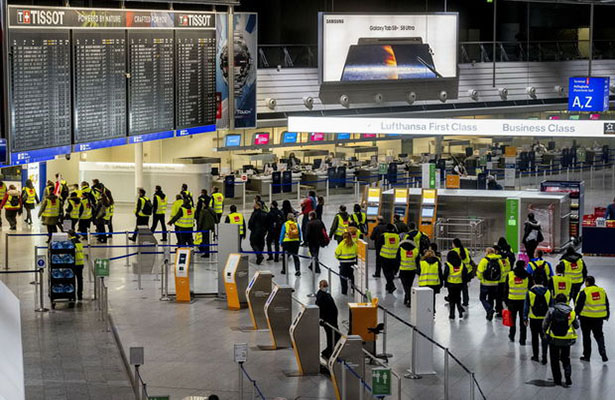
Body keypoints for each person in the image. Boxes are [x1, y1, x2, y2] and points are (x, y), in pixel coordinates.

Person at [543, 293, 579, 387]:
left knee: (554, 359)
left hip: (554, 338)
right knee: (565, 358)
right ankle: (567, 375)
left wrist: (545, 333)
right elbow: (577, 326)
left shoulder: (551, 310)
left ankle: (557, 379)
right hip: (567, 339)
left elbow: (545, 323)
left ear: (556, 300)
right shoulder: (571, 312)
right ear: (566, 301)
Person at [575, 276, 609, 363]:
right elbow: (606, 303)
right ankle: (603, 352)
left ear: (587, 282)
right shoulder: (601, 291)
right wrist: (606, 315)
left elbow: (579, 305)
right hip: (598, 318)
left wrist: (576, 314)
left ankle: (587, 356)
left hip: (586, 318)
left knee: (586, 337)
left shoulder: (584, 292)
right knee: (599, 335)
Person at [524, 275, 551, 364]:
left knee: (534, 338)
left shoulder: (530, 292)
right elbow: (551, 307)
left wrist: (525, 318)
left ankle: (535, 356)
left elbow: (526, 306)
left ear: (534, 281)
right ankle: (544, 357)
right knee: (544, 338)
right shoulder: (548, 292)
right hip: (545, 319)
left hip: (534, 318)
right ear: (543, 282)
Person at [505, 261, 530, 344]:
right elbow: (530, 289)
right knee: (523, 321)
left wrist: (506, 300)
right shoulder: (527, 275)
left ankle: (512, 336)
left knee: (512, 319)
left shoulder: (510, 274)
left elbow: (506, 288)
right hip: (524, 301)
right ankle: (522, 340)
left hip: (512, 300)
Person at [477, 248, 503, 321]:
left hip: (485, 283)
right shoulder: (499, 260)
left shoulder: (484, 261)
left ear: (487, 252)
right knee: (491, 298)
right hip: (495, 284)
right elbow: (502, 271)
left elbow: (479, 272)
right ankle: (489, 315)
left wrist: (481, 279)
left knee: (482, 298)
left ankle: (489, 310)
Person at [315, 280, 339, 359]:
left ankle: (328, 351)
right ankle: (329, 351)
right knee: (333, 336)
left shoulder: (325, 294)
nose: (325, 287)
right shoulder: (321, 296)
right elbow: (320, 308)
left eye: (326, 285)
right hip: (328, 321)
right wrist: (322, 319)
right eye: (324, 286)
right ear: (320, 286)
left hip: (332, 320)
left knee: (333, 336)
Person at [443, 250, 468, 319]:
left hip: (450, 284)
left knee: (451, 299)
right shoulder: (462, 264)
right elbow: (465, 274)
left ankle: (452, 314)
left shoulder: (448, 264)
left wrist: (444, 280)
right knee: (458, 297)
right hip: (459, 284)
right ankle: (460, 310)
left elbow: (445, 274)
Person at [452, 238, 475, 307]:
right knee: (464, 287)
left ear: (454, 244)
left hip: (459, 271)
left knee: (455, 286)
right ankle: (465, 301)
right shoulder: (465, 250)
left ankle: (452, 299)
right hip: (468, 271)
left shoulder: (454, 251)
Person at [379, 224, 400, 293]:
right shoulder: (397, 236)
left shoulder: (384, 236)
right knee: (391, 272)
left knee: (386, 272)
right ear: (393, 229)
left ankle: (391, 285)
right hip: (394, 257)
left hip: (385, 257)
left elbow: (379, 245)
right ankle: (388, 286)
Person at [398, 238, 419, 307]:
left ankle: (410, 299)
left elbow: (397, 260)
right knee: (409, 285)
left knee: (405, 286)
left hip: (403, 270)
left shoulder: (401, 250)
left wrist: (395, 270)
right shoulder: (416, 251)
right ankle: (406, 298)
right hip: (412, 271)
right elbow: (417, 261)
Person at [495, 245, 512, 318]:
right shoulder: (506, 259)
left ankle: (499, 311)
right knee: (505, 297)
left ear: (497, 251)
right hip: (506, 281)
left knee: (498, 297)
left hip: (499, 281)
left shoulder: (497, 260)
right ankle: (508, 310)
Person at [68, 230, 85, 301]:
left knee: (71, 280)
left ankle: (72, 295)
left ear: (69, 235)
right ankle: (80, 295)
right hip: (80, 263)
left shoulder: (70, 242)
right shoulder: (79, 242)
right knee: (80, 280)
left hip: (73, 264)